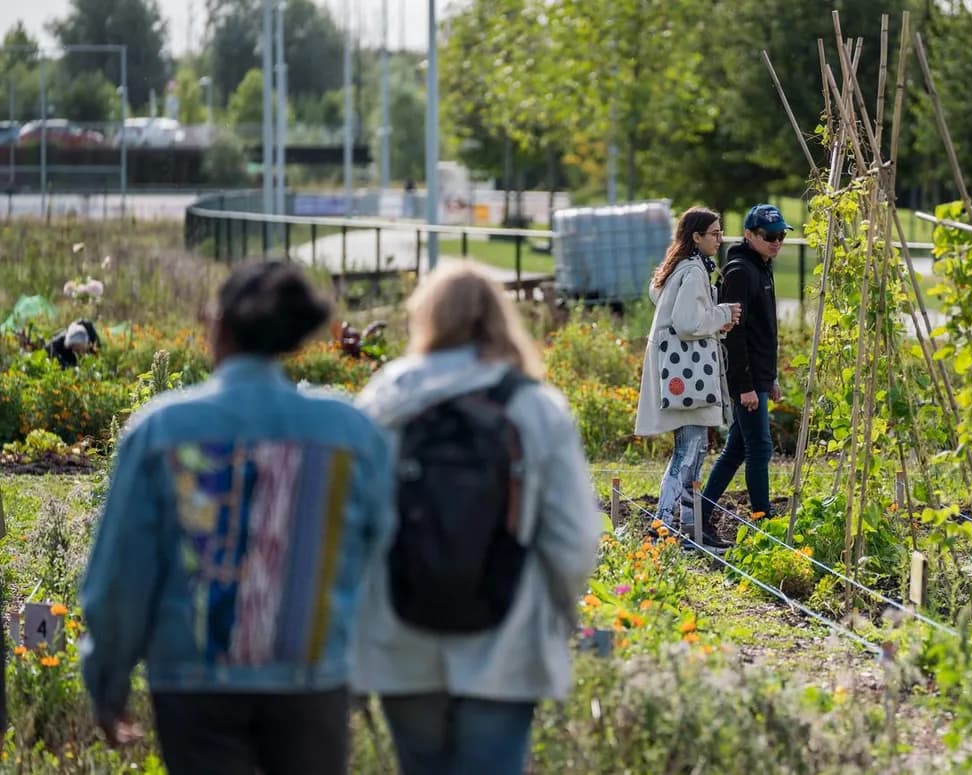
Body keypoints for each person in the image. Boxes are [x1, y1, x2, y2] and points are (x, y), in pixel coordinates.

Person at [79, 262, 393, 775]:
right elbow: (381, 558)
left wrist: (108, 681)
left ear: (218, 325)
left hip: (193, 682)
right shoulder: (349, 433)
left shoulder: (161, 431)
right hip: (311, 679)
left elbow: (120, 578)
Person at [352, 261, 601, 775]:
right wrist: (559, 613)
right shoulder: (535, 406)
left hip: (401, 639)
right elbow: (574, 539)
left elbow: (346, 525)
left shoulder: (384, 400)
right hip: (506, 640)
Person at [635, 207, 739, 547]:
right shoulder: (694, 271)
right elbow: (687, 323)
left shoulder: (678, 268)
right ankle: (663, 528)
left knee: (692, 450)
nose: (719, 239)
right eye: (714, 233)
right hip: (690, 377)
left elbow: (668, 308)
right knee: (688, 450)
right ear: (696, 236)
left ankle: (687, 530)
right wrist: (723, 313)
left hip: (679, 376)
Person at [698, 203, 790, 537]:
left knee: (737, 448)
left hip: (758, 377)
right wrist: (747, 386)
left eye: (781, 235)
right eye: (769, 236)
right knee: (760, 448)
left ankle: (701, 516)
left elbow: (762, 331)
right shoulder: (739, 272)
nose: (777, 242)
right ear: (749, 235)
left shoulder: (762, 267)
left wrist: (771, 376)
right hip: (746, 380)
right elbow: (734, 336)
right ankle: (762, 524)